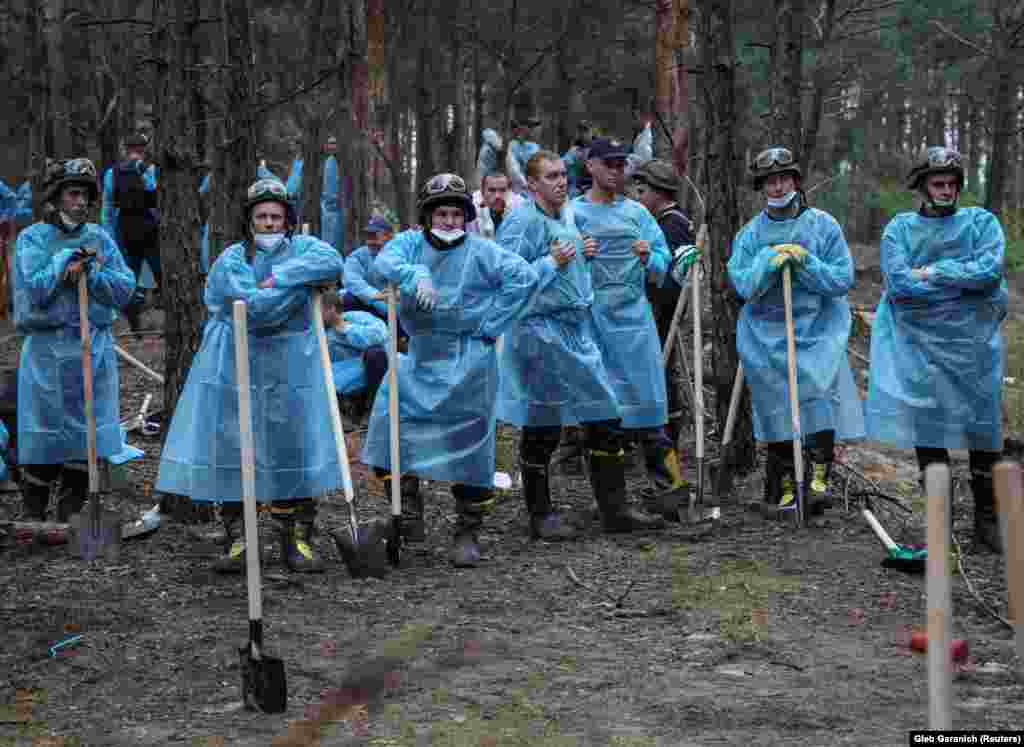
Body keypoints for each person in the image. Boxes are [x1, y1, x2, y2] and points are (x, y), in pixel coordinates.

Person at [360, 172, 560, 567]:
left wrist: (491, 325)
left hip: (470, 360)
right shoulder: (409, 245)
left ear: (466, 217)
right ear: (427, 217)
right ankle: (409, 516)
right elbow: (384, 263)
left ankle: (467, 530)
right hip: (420, 357)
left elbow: (522, 279)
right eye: (441, 214)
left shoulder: (484, 252)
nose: (449, 222)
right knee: (390, 430)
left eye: (456, 214)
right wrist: (414, 274)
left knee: (472, 446)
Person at [156, 177, 345, 573]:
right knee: (235, 444)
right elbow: (255, 310)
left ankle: (297, 539)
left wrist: (284, 275)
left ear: (288, 219)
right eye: (262, 216)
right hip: (235, 360)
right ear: (250, 220)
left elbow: (332, 262)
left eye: (276, 216)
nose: (270, 223)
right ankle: (241, 537)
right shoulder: (230, 259)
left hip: (291, 366)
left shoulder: (305, 249)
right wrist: (300, 288)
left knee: (291, 444)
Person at [497, 150, 664, 535]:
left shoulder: (567, 214)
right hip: (537, 331)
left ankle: (615, 511)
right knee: (543, 423)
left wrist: (581, 261)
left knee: (604, 413)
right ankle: (541, 516)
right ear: (532, 183)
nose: (560, 182)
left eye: (562, 175)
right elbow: (506, 279)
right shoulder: (521, 221)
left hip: (575, 329)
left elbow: (568, 265)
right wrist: (549, 264)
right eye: (551, 176)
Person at [865, 147, 1007, 552]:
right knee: (928, 428)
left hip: (973, 348)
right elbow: (900, 285)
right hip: (918, 346)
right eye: (937, 184)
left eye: (951, 184)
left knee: (983, 430)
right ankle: (939, 523)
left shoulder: (981, 223)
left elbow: (989, 273)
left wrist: (937, 271)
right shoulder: (899, 230)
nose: (945, 191)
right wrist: (960, 287)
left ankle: (987, 520)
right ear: (922, 186)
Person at [728, 146, 864, 512]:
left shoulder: (824, 225)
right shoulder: (750, 234)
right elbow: (741, 284)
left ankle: (818, 481)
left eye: (784, 178)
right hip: (766, 334)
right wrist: (767, 263)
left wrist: (808, 263)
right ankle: (786, 485)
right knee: (775, 406)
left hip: (818, 329)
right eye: (770, 181)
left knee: (818, 397)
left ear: (796, 181)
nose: (777, 187)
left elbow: (842, 278)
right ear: (762, 186)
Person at [15, 158, 135, 522]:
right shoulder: (33, 238)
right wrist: (64, 262)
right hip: (47, 351)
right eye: (72, 193)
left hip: (91, 347)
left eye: (84, 194)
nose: (80, 202)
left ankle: (71, 511)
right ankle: (34, 510)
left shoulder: (100, 238)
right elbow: (33, 289)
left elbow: (125, 287)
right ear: (56, 197)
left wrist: (92, 272)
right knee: (43, 427)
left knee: (87, 429)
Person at [572, 138, 679, 520]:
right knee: (603, 412)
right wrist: (577, 259)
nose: (617, 171)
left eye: (622, 164)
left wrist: (650, 257)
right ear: (591, 167)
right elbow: (557, 265)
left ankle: (670, 495)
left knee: (651, 407)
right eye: (610, 164)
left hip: (635, 322)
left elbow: (665, 262)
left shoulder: (637, 214)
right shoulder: (574, 214)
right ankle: (611, 505)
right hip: (594, 323)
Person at [632, 158, 695, 500]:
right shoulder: (662, 221)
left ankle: (670, 478)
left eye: (642, 191)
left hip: (660, 319)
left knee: (662, 393)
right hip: (654, 317)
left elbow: (672, 281)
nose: (637, 197)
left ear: (659, 193)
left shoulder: (672, 225)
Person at [102, 133, 160, 331]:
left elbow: (156, 194)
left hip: (151, 227)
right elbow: (108, 205)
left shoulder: (151, 170)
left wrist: (143, 172)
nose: (136, 153)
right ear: (125, 151)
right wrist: (108, 234)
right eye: (132, 149)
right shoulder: (113, 173)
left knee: (160, 271)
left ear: (145, 151)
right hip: (125, 228)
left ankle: (168, 321)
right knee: (128, 277)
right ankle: (134, 325)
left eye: (140, 149)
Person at [321, 290, 388, 423]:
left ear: (331, 309)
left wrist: (345, 328)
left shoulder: (355, 317)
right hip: (338, 385)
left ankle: (373, 409)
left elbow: (380, 334)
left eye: (319, 310)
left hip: (369, 378)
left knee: (376, 353)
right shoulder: (316, 331)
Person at [343, 216, 394, 322]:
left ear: (389, 236)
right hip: (371, 305)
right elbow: (350, 279)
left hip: (398, 308)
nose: (370, 241)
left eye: (375, 236)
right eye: (368, 237)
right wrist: (374, 295)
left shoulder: (400, 253)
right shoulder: (358, 256)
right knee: (348, 298)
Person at [468, 172, 523, 239]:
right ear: (482, 192)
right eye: (492, 190)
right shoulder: (472, 211)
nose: (497, 196)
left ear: (509, 191)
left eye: (502, 190)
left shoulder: (521, 209)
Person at [506, 119, 542, 196]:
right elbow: (513, 169)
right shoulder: (513, 145)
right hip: (518, 188)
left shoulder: (535, 147)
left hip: (532, 188)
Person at [562, 121, 594, 199]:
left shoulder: (598, 147)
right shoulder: (574, 150)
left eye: (586, 131)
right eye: (581, 132)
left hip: (594, 184)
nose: (583, 134)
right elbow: (564, 162)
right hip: (578, 186)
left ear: (591, 132)